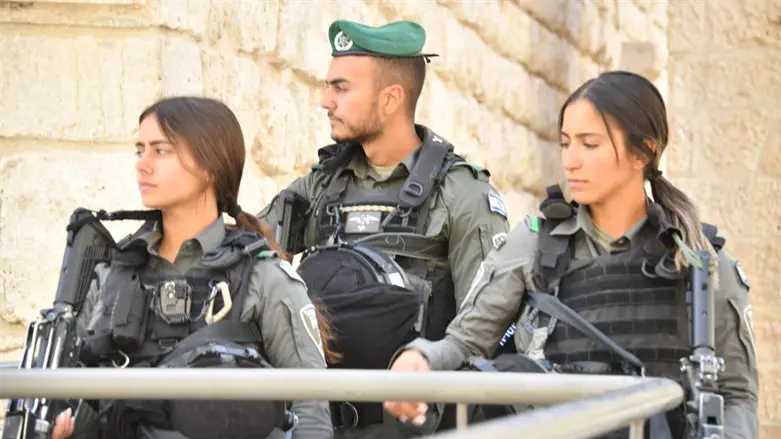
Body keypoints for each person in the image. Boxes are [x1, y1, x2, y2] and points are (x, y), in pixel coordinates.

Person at [384, 71, 759, 439]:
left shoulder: (697, 259)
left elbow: (736, 394)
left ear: (643, 152)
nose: (570, 161)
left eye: (589, 144)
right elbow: (465, 342)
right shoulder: (535, 244)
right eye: (566, 143)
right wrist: (421, 359)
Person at [257, 19, 510, 439]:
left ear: (391, 98)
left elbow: (488, 326)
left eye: (341, 88)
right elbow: (250, 260)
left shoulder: (461, 193)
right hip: (316, 424)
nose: (325, 101)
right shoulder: (321, 183)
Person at [50, 96, 335, 439]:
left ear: (209, 167)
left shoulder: (264, 276)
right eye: (140, 150)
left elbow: (312, 415)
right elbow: (80, 399)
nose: (143, 164)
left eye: (161, 150)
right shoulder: (113, 273)